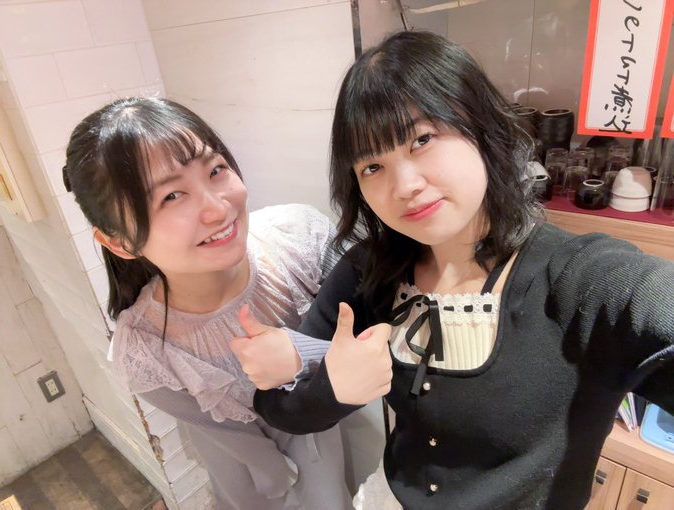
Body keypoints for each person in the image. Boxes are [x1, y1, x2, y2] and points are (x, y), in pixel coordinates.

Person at [233, 31, 674, 510]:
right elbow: (279, 409)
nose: (404, 185)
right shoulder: (370, 271)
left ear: (482, 128)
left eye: (422, 140)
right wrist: (331, 388)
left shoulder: (584, 279)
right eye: (372, 167)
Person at [61, 96, 358, 510]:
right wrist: (269, 468)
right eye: (171, 196)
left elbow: (373, 339)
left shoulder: (300, 240)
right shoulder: (144, 348)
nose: (219, 209)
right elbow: (221, 433)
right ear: (119, 242)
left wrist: (299, 355)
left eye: (216, 170)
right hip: (242, 472)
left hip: (319, 438)